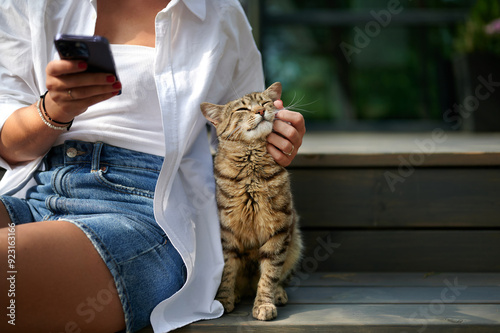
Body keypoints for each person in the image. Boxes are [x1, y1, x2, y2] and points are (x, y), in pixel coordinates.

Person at [0, 0, 306, 332]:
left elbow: (244, 124)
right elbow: (10, 149)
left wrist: (277, 139)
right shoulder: (29, 5)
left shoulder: (218, 12)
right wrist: (54, 108)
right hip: (39, 191)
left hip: (146, 213)